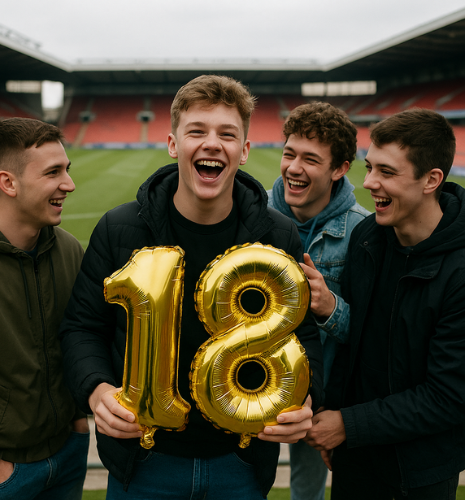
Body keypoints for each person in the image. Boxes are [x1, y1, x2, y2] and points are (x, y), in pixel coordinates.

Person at [59, 74, 323, 500]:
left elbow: (304, 337)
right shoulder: (119, 229)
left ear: (245, 150)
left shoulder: (278, 236)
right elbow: (83, 327)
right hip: (142, 461)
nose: (212, 143)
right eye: (197, 131)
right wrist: (97, 388)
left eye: (227, 134)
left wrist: (307, 396)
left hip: (240, 461)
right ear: (172, 143)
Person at [305, 108, 465, 500]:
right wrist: (338, 430)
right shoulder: (368, 237)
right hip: (354, 460)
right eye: (370, 167)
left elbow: (448, 396)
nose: (368, 183)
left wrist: (347, 424)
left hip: (418, 474)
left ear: (432, 180)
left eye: (387, 173)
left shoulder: (460, 272)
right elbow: (353, 350)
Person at [0, 118, 89, 499]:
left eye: (66, 169)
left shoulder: (69, 249)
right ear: (8, 183)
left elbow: (78, 339)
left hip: (68, 453)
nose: (68, 184)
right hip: (0, 472)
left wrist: (79, 420)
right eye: (53, 173)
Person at [267, 102, 370, 500]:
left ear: (340, 168)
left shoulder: (364, 231)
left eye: (310, 159)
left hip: (322, 401)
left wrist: (331, 308)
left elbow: (372, 332)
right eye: (289, 154)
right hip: (254, 385)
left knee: (306, 494)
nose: (294, 168)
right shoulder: (250, 215)